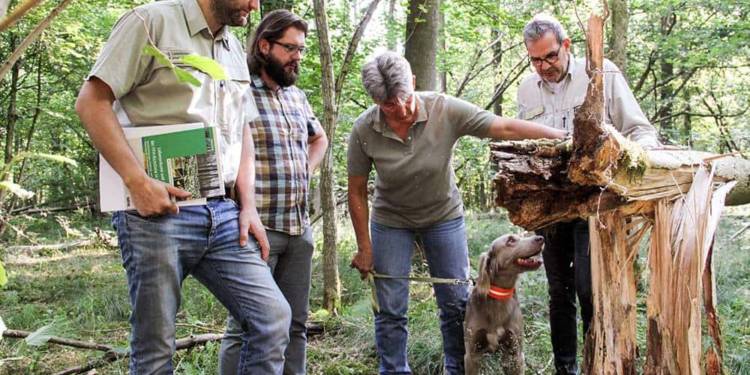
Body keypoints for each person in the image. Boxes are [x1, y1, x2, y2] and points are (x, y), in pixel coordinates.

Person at [75, 0, 293, 373]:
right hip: (155, 215)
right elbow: (92, 103)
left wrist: (249, 206)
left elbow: (241, 129)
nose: (255, 5)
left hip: (221, 211)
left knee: (273, 317)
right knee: (155, 349)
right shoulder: (151, 22)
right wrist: (135, 180)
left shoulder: (232, 47)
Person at [347, 51, 566, 375]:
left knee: (454, 302)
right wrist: (365, 247)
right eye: (391, 105)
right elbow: (356, 191)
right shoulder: (364, 129)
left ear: (414, 83)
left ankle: (456, 369)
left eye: (406, 97)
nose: (403, 108)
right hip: (391, 220)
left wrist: (561, 137)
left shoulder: (443, 108)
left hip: (442, 216)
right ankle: (393, 370)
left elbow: (502, 126)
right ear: (377, 101)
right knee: (391, 308)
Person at [516, 14, 660, 375]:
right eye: (535, 59)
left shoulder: (602, 73)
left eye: (549, 56)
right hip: (552, 208)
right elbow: (523, 148)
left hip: (597, 203)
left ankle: (600, 363)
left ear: (566, 46)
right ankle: (566, 369)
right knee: (558, 293)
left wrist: (636, 166)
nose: (543, 66)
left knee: (588, 288)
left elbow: (641, 130)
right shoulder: (526, 89)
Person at [219, 10, 328, 375]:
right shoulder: (239, 90)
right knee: (246, 325)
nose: (297, 56)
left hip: (299, 230)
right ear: (264, 45)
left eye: (301, 49)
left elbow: (319, 138)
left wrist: (305, 169)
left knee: (296, 324)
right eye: (290, 48)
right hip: (256, 230)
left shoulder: (297, 96)